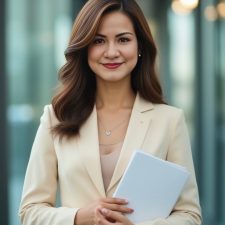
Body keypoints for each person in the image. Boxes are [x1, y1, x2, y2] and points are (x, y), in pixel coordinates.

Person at [18, 0, 202, 225]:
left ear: (140, 46)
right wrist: (80, 216)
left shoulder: (170, 120)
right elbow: (29, 211)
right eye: (98, 41)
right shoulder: (56, 117)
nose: (112, 52)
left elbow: (190, 215)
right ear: (85, 47)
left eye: (123, 39)